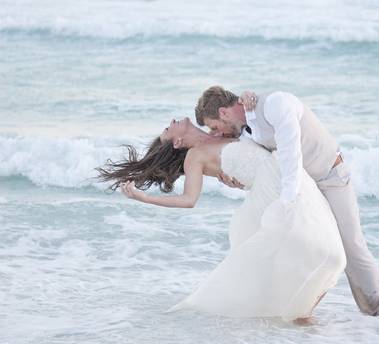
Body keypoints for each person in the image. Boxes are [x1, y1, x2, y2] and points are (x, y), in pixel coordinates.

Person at [96, 117, 346, 324]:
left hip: (288, 177)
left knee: (329, 253)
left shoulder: (218, 131)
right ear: (178, 142)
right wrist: (144, 198)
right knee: (323, 251)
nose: (170, 122)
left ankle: (300, 316)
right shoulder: (194, 156)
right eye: (167, 129)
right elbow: (189, 199)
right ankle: (301, 321)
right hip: (273, 193)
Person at [195, 86, 379, 316]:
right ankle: (296, 313)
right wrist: (238, 182)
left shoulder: (276, 104)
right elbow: (265, 165)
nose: (218, 133)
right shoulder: (245, 130)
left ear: (224, 113)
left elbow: (290, 153)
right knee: (304, 247)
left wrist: (288, 201)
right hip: (306, 189)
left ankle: (377, 315)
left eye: (215, 126)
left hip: (331, 178)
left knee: (352, 246)